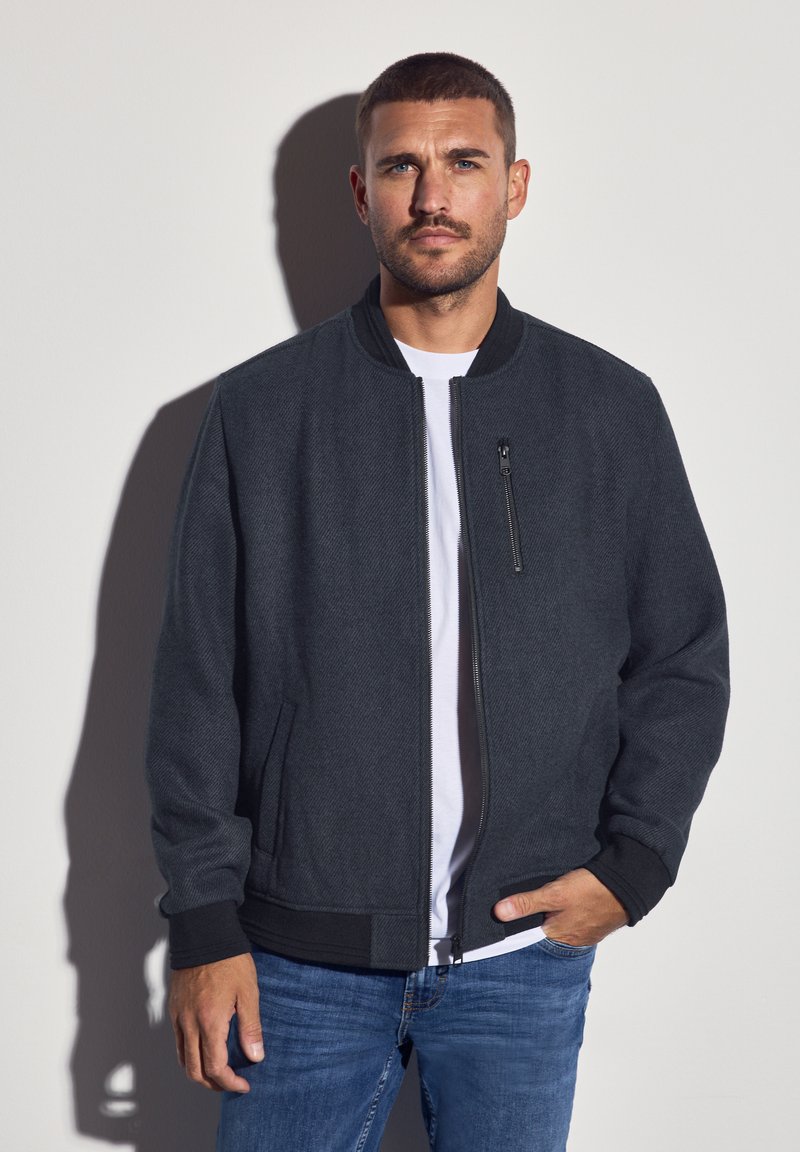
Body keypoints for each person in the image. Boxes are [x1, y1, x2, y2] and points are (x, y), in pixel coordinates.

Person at [144, 51, 731, 1152]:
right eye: (400, 166)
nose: (431, 196)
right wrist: (203, 924)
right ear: (359, 193)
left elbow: (682, 654)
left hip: (520, 956)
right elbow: (195, 685)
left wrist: (633, 865)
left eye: (463, 163)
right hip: (294, 965)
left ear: (512, 185)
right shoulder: (260, 415)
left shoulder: (606, 408)